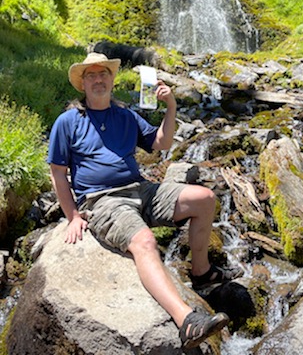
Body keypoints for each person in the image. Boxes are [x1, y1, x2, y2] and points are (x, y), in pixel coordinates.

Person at [47, 52, 237, 349]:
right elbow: (58, 173)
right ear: (82, 84)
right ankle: (186, 321)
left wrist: (170, 106)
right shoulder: (67, 121)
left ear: (112, 80)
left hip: (140, 189)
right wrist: (72, 215)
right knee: (145, 241)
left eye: (103, 74)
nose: (98, 80)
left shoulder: (125, 115)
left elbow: (161, 143)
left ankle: (201, 273)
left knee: (204, 198)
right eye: (91, 75)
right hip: (102, 201)